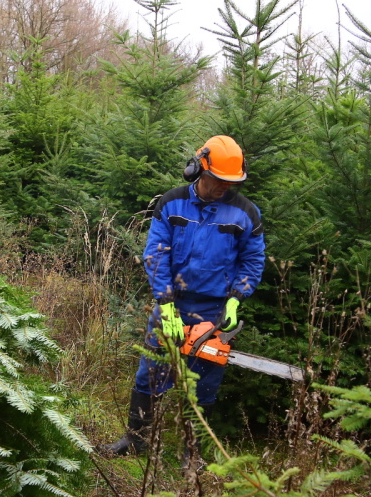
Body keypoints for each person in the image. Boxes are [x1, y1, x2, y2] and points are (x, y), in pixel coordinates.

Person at [103, 135, 265, 458]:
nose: (224, 187)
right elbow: (156, 255)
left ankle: (193, 455)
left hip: (214, 310)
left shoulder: (245, 213)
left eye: (230, 182)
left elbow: (252, 260)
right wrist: (166, 305)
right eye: (219, 179)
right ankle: (136, 441)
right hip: (172, 303)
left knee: (203, 386)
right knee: (150, 373)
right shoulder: (172, 203)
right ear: (199, 170)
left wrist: (235, 299)